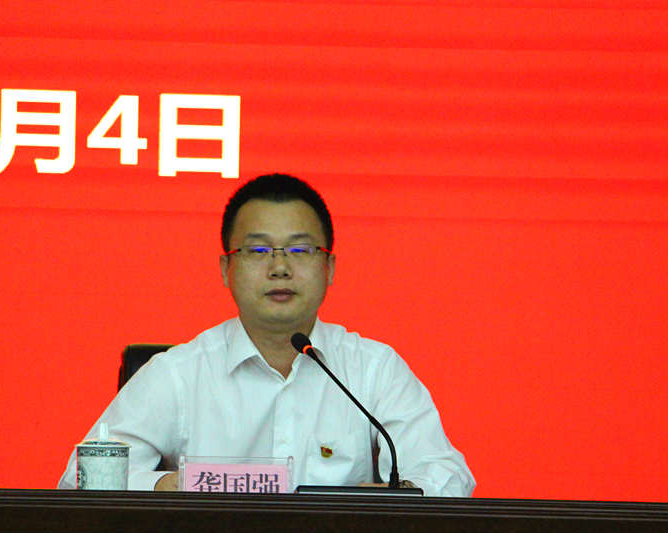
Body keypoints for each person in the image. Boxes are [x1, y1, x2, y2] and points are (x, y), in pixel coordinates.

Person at [59, 173, 475, 495]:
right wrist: (167, 485)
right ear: (227, 269)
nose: (279, 267)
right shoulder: (179, 374)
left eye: (300, 250)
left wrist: (400, 495)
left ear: (329, 268)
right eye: (258, 250)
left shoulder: (374, 370)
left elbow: (449, 476)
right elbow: (78, 479)